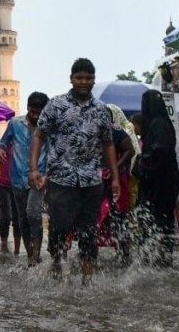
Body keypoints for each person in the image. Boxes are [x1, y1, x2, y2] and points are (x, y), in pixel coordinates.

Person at [30, 59, 119, 282]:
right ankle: (57, 265)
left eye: (88, 78)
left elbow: (108, 144)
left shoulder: (101, 110)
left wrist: (115, 177)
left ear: (93, 80)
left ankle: (87, 276)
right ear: (71, 79)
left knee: (89, 230)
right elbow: (39, 135)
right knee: (59, 227)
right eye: (79, 77)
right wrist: (34, 169)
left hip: (91, 180)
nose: (83, 82)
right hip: (61, 179)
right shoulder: (56, 105)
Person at [0, 91, 50, 263]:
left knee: (33, 213)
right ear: (27, 109)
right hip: (16, 178)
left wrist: (48, 176)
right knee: (21, 219)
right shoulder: (15, 123)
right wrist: (0, 149)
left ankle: (36, 254)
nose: (37, 117)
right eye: (33, 112)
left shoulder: (49, 127)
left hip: (38, 178)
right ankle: (29, 255)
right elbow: (3, 142)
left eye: (40, 113)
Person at [133, 90, 179, 267]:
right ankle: (158, 259)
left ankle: (158, 260)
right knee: (159, 220)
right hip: (164, 181)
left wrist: (141, 164)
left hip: (160, 183)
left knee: (157, 220)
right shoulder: (160, 124)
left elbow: (159, 152)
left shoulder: (158, 125)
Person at [101, 104, 136, 263]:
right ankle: (88, 255)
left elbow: (130, 150)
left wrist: (116, 166)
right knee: (92, 217)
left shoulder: (116, 131)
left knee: (118, 216)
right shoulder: (88, 132)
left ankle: (123, 254)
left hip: (115, 180)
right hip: (93, 181)